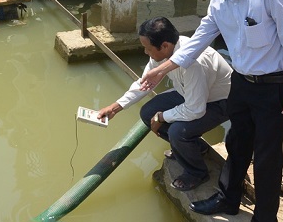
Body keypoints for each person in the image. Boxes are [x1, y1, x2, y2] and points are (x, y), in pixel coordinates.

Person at [139, 0, 283, 222]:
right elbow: (198, 40)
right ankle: (229, 199)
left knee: (267, 157)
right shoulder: (219, 2)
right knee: (236, 142)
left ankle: (265, 218)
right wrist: (162, 68)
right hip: (241, 84)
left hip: (274, 88)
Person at [97, 16, 232, 191]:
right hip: (190, 94)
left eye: (148, 48)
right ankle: (195, 148)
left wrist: (162, 117)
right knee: (147, 112)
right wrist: (115, 107)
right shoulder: (163, 54)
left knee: (177, 131)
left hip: (220, 102)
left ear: (165, 46)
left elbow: (195, 110)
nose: (146, 53)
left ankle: (197, 172)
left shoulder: (194, 64)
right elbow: (144, 83)